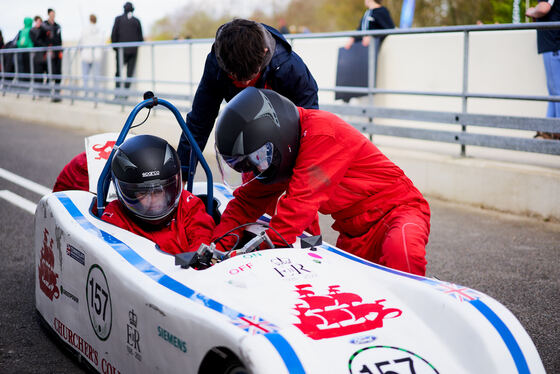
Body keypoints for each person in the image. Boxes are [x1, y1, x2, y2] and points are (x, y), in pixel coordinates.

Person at [213, 87, 430, 276]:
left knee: (401, 250)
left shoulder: (322, 135)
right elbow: (244, 205)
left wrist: (247, 258)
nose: (256, 167)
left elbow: (295, 211)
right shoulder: (281, 154)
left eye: (258, 158)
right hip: (354, 233)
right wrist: (213, 250)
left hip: (398, 211)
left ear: (275, 137)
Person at [176, 18, 319, 175]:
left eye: (251, 77)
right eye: (236, 78)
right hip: (250, 140)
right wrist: (183, 172)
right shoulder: (216, 63)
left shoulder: (289, 67)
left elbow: (310, 123)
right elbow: (199, 121)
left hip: (285, 137)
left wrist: (302, 173)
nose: (244, 83)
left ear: (264, 52)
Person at [100, 135, 215, 255]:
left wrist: (193, 264)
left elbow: (202, 240)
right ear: (128, 192)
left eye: (158, 191)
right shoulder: (115, 218)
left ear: (170, 188)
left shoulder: (189, 205)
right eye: (143, 192)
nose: (153, 200)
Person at [526, 0, 560, 140]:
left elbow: (544, 8)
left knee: (556, 92)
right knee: (553, 92)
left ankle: (556, 132)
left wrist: (531, 11)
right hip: (553, 45)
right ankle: (547, 129)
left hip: (554, 45)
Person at [111, 2, 143, 95]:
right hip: (133, 51)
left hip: (121, 50)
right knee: (129, 74)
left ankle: (117, 93)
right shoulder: (137, 21)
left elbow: (113, 35)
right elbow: (140, 38)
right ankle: (125, 94)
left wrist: (116, 48)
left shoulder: (118, 19)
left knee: (118, 72)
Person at [80, 14, 104, 97]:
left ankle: (86, 93)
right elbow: (102, 43)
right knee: (96, 76)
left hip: (86, 55)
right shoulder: (99, 30)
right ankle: (95, 93)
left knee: (85, 76)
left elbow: (81, 41)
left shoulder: (85, 29)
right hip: (96, 55)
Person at [43, 8, 62, 102]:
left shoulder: (57, 26)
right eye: (51, 14)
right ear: (48, 14)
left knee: (58, 73)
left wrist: (60, 51)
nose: (53, 16)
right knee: (50, 72)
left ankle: (57, 93)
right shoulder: (44, 25)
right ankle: (47, 93)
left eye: (54, 14)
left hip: (57, 52)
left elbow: (59, 39)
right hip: (49, 53)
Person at [30, 16, 48, 88]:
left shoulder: (43, 30)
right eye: (38, 21)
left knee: (46, 71)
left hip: (43, 54)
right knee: (38, 72)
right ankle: (39, 89)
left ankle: (45, 88)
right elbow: (35, 41)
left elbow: (46, 39)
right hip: (37, 55)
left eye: (40, 21)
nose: (39, 23)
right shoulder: (32, 30)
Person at [16, 17, 34, 83]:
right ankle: (27, 82)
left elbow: (18, 41)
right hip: (28, 52)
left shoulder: (22, 30)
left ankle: (22, 82)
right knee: (28, 68)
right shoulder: (31, 29)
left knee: (22, 68)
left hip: (20, 51)